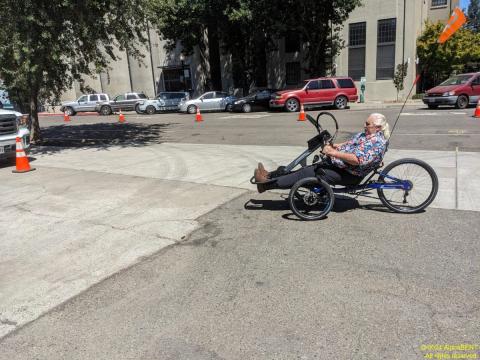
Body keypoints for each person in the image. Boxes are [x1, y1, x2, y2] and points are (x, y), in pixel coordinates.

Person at [254, 113, 390, 193]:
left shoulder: (376, 142)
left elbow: (356, 160)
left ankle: (266, 185)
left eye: (367, 124)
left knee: (305, 173)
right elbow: (349, 144)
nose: (364, 126)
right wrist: (335, 146)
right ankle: (270, 176)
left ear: (377, 127)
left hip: (349, 174)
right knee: (306, 170)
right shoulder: (366, 135)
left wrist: (333, 153)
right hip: (341, 166)